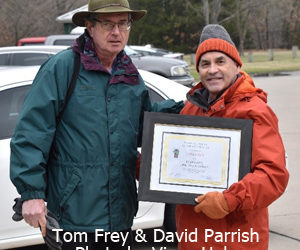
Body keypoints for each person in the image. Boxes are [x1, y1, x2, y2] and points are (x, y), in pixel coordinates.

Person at [10, 0, 183, 249]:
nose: (116, 32)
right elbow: (30, 133)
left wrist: (188, 108)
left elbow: (141, 126)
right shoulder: (64, 68)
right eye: (107, 24)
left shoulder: (129, 74)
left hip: (120, 215)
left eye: (123, 23)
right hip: (74, 215)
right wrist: (31, 193)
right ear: (89, 27)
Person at [175, 24, 289, 250]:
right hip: (193, 236)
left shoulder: (256, 111)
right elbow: (175, 165)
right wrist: (149, 167)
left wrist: (230, 200)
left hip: (238, 238)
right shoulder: (190, 109)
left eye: (220, 61)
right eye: (205, 64)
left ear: (237, 65)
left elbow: (273, 175)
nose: (212, 70)